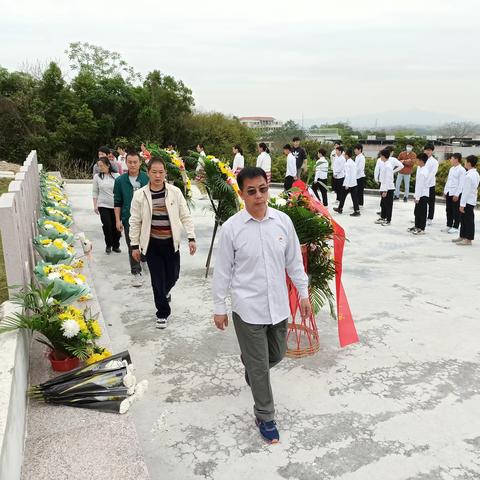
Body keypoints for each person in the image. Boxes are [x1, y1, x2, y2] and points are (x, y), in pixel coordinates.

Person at [212, 166, 310, 444]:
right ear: (241, 194)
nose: (258, 196)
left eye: (263, 190)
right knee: (259, 369)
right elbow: (223, 272)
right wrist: (220, 307)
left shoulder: (283, 222)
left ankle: (251, 365)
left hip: (278, 306)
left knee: (276, 355)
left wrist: (303, 293)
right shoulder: (232, 229)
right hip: (248, 308)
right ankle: (265, 416)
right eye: (251, 191)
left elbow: (294, 261)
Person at [129, 157, 196, 328]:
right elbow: (135, 221)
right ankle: (162, 313)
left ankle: (164, 292)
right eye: (154, 172)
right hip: (152, 245)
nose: (158, 176)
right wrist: (134, 245)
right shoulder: (140, 195)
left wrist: (191, 237)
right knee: (157, 279)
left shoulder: (175, 192)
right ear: (148, 173)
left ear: (165, 173)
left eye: (161, 172)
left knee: (173, 276)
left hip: (171, 243)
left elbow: (185, 215)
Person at [113, 152, 150, 287]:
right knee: (132, 246)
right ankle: (136, 272)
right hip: (129, 219)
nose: (133, 165)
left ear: (140, 162)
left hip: (147, 219)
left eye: (135, 162)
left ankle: (145, 263)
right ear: (126, 163)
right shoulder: (120, 181)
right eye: (130, 162)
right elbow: (117, 202)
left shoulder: (147, 178)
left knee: (147, 245)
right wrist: (118, 220)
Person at [93, 158, 121, 253]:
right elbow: (95, 191)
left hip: (116, 206)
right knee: (107, 225)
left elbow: (120, 191)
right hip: (103, 205)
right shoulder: (97, 177)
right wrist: (95, 205)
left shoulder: (117, 176)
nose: (100, 168)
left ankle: (116, 245)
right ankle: (108, 245)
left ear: (108, 165)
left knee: (116, 226)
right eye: (98, 166)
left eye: (101, 165)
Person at [454, 155, 480, 246]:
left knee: (468, 220)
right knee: (464, 219)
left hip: (467, 201)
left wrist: (462, 204)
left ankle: (468, 239)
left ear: (469, 163)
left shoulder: (470, 176)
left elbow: (466, 191)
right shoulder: (474, 173)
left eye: (465, 161)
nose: (464, 163)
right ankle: (462, 236)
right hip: (469, 200)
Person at [375, 149, 403, 226]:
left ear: (383, 156)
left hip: (388, 188)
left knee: (388, 205)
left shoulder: (388, 166)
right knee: (384, 204)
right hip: (384, 187)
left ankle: (388, 220)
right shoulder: (384, 164)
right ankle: (383, 217)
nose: (380, 157)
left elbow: (388, 179)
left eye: (381, 155)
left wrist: (385, 191)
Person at [442, 153, 466, 234]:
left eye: (451, 158)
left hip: (456, 193)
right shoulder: (451, 169)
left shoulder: (462, 170)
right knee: (448, 210)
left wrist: (457, 194)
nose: (450, 160)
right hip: (449, 191)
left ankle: (455, 227)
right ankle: (449, 225)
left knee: (456, 211)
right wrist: (445, 191)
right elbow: (448, 180)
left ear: (456, 159)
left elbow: (461, 183)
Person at [407, 153, 429, 235]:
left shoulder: (424, 171)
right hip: (419, 194)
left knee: (422, 213)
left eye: (417, 160)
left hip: (422, 195)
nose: (416, 161)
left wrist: (417, 197)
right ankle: (417, 226)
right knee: (417, 212)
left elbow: (420, 185)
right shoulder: (420, 168)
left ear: (421, 161)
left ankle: (421, 228)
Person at [334, 148, 360, 216]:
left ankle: (340, 208)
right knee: (354, 198)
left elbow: (347, 175)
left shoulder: (347, 163)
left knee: (343, 196)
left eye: (345, 154)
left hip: (348, 184)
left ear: (347, 155)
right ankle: (357, 211)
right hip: (354, 183)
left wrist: (347, 184)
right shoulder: (353, 162)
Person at [423, 143, 438, 225]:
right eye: (426, 150)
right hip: (422, 185)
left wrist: (426, 183)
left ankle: (430, 218)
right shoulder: (422, 160)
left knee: (431, 202)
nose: (427, 152)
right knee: (422, 202)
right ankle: (422, 217)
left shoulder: (434, 162)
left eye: (429, 150)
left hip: (430, 185)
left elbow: (432, 174)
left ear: (432, 151)